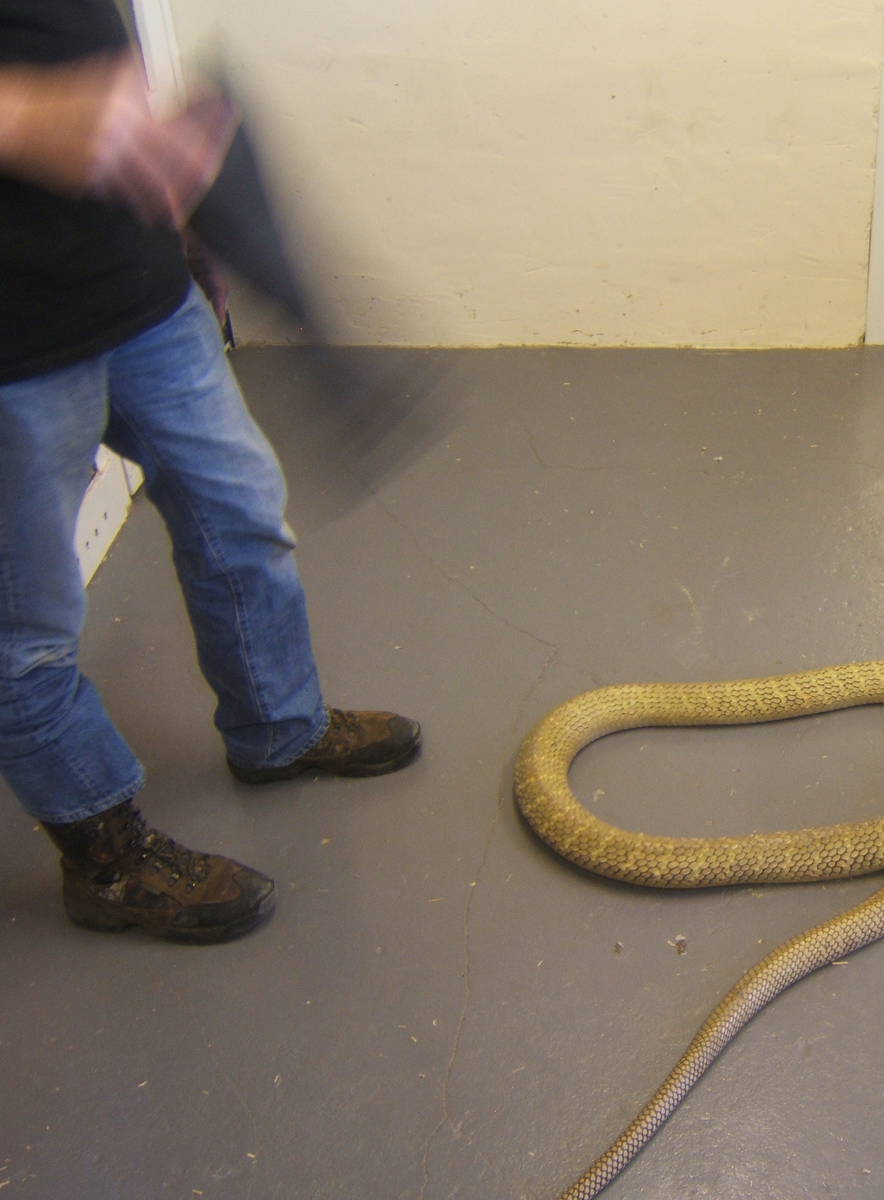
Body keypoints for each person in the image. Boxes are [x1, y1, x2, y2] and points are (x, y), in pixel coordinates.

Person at [0, 0, 421, 944]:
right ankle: (106, 862)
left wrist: (184, 213)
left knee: (240, 511)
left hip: (138, 289)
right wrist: (23, 116)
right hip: (14, 353)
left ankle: (279, 728)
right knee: (24, 634)